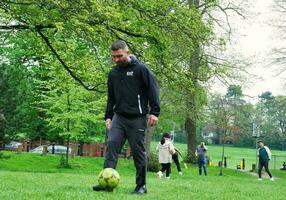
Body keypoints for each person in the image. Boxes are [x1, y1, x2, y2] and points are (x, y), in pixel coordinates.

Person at [92, 40, 160, 194]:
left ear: (128, 52)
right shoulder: (113, 73)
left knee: (138, 152)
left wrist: (155, 112)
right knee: (112, 145)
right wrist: (108, 116)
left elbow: (153, 90)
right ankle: (106, 183)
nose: (116, 59)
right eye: (113, 57)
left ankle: (141, 186)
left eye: (119, 56)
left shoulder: (141, 69)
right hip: (119, 117)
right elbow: (111, 97)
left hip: (137, 118)